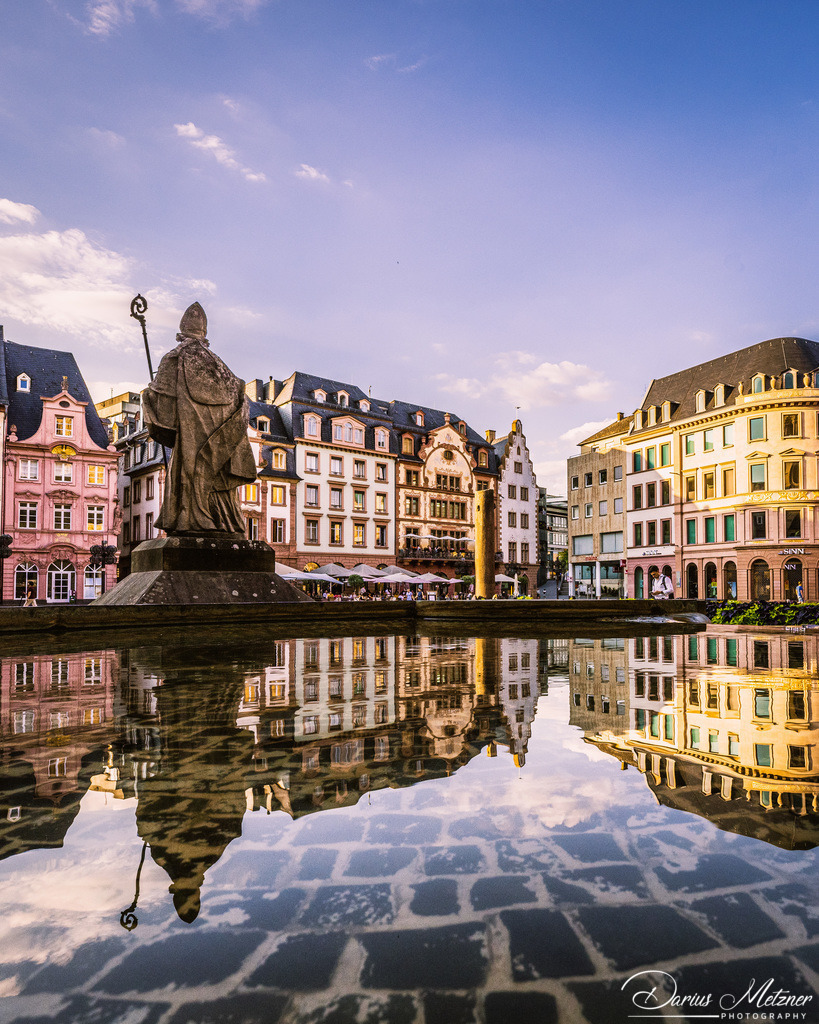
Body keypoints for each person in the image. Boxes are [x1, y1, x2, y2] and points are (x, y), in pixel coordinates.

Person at [143, 302, 257, 536]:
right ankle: (225, 521)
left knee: (189, 473)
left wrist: (148, 395)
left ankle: (190, 520)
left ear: (182, 330)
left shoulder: (173, 359)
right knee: (215, 477)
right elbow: (239, 395)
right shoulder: (221, 368)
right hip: (219, 447)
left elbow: (163, 409)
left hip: (190, 444)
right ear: (204, 333)